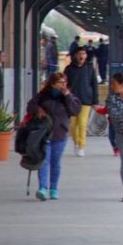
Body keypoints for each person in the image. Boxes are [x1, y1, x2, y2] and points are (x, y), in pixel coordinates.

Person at [26, 73, 81, 201]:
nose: (63, 85)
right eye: (60, 83)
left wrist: (67, 96)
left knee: (55, 162)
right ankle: (43, 188)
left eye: (64, 82)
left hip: (60, 133)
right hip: (43, 134)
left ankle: (54, 188)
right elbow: (30, 106)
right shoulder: (42, 96)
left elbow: (75, 111)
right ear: (52, 84)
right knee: (44, 161)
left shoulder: (68, 97)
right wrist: (37, 110)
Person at [63, 47, 99, 157]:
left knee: (83, 124)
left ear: (86, 56)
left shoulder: (90, 68)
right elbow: (64, 84)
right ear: (75, 56)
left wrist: (95, 101)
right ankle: (76, 142)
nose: (81, 56)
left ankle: (81, 146)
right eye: (79, 53)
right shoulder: (68, 69)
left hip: (86, 100)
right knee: (73, 125)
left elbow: (94, 85)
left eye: (83, 53)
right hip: (72, 100)